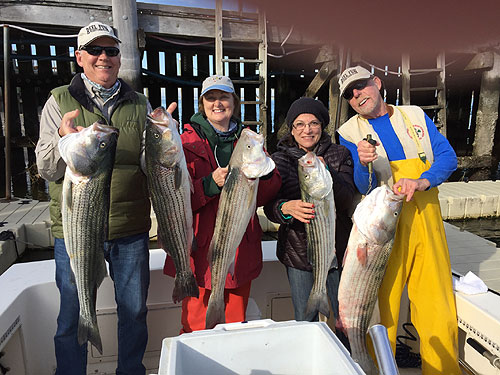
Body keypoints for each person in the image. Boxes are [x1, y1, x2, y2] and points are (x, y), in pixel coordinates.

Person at [35, 21, 166, 375]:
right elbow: (46, 168)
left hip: (130, 230)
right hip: (75, 233)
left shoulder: (140, 104)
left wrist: (165, 141)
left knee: (135, 312)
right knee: (72, 315)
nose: (103, 57)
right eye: (95, 50)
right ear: (80, 57)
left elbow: (152, 166)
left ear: (119, 57)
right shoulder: (59, 101)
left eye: (111, 50)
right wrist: (64, 141)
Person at [337, 65, 460, 374]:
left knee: (437, 303)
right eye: (350, 94)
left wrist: (423, 181)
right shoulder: (349, 133)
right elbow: (360, 186)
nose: (357, 95)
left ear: (377, 83)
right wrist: (363, 163)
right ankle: (378, 369)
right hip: (383, 228)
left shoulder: (416, 116)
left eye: (361, 86)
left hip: (426, 219)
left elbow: (448, 157)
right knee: (383, 306)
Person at [163, 75, 281, 333]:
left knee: (235, 328)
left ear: (234, 103)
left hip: (240, 248)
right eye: (211, 98)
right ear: (202, 104)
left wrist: (268, 171)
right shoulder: (183, 143)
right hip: (199, 251)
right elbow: (172, 199)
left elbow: (262, 198)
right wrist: (209, 183)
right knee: (196, 328)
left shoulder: (247, 140)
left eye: (224, 97)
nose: (218, 103)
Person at [263, 97, 356, 327]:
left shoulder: (339, 154)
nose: (307, 130)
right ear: (292, 130)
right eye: (300, 124)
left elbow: (345, 199)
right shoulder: (280, 159)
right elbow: (269, 206)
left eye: (313, 123)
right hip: (297, 254)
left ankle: (347, 360)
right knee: (306, 320)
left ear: (322, 126)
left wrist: (328, 173)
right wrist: (285, 208)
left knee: (345, 319)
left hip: (337, 251)